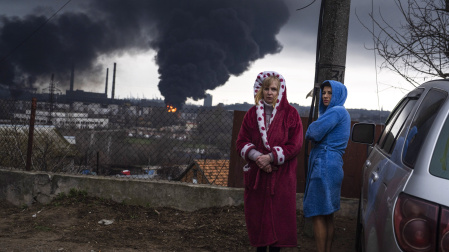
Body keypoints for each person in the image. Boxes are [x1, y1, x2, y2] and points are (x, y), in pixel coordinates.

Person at [236, 71, 303, 251]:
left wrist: (272, 157)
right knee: (259, 223)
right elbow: (241, 142)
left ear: (280, 91)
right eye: (266, 88)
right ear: (260, 89)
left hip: (281, 178)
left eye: (274, 89)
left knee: (278, 223)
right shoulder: (251, 114)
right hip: (258, 178)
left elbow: (295, 145)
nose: (270, 92)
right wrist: (258, 157)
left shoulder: (291, 114)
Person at [303, 80, 351, 252]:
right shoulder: (343, 113)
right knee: (328, 215)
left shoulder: (336, 111)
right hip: (334, 165)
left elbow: (312, 132)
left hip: (324, 164)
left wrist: (311, 131)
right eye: (324, 92)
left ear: (338, 95)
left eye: (330, 93)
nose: (325, 96)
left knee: (318, 214)